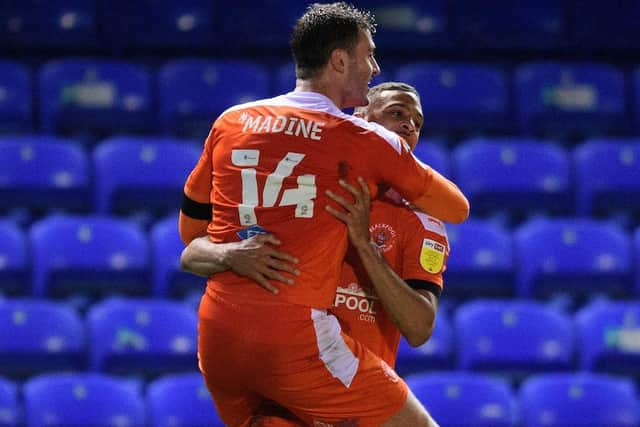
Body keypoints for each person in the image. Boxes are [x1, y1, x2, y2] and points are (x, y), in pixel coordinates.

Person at [179, 3, 468, 426]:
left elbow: (191, 234)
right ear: (340, 62)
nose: (374, 66)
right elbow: (458, 205)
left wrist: (230, 253)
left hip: (222, 338)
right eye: (368, 55)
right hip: (301, 349)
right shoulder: (360, 142)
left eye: (416, 121)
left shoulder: (232, 121)